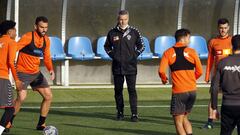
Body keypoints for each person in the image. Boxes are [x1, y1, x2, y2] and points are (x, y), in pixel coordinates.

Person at [6, 16, 55, 131]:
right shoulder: (28, 37)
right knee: (22, 97)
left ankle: (41, 124)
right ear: (35, 26)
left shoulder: (46, 40)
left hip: (35, 73)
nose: (44, 29)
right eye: (41, 27)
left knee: (48, 96)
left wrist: (51, 69)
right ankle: (8, 122)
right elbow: (15, 48)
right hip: (22, 72)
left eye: (46, 27)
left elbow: (47, 57)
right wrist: (8, 61)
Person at [159, 28, 203, 135]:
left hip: (179, 92)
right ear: (184, 37)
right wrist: (191, 80)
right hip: (192, 91)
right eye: (189, 38)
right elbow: (200, 71)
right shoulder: (192, 52)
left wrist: (164, 80)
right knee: (184, 118)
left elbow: (161, 71)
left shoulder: (168, 52)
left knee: (178, 122)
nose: (189, 40)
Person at [104, 10, 145, 122]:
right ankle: (120, 112)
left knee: (132, 90)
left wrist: (134, 55)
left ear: (128, 19)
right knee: (118, 90)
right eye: (121, 19)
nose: (123, 21)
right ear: (118, 19)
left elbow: (142, 46)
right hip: (117, 67)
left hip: (131, 67)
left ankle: (134, 114)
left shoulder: (134, 32)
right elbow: (107, 47)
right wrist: (114, 56)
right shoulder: (112, 32)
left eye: (125, 19)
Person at [203, 18, 232, 129]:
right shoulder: (213, 42)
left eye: (225, 28)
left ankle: (231, 120)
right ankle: (210, 121)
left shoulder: (233, 41)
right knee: (213, 96)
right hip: (217, 75)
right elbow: (210, 59)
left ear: (228, 28)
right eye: (221, 28)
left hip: (230, 74)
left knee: (230, 98)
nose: (223, 30)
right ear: (218, 28)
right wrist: (207, 76)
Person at [211, 35, 240, 135]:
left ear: (232, 45)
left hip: (227, 105)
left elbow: (214, 87)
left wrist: (214, 108)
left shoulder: (222, 62)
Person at [0, 20, 22, 135]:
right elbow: (11, 62)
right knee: (10, 109)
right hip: (2, 78)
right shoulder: (11, 42)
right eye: (14, 29)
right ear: (9, 32)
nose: (16, 31)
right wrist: (17, 80)